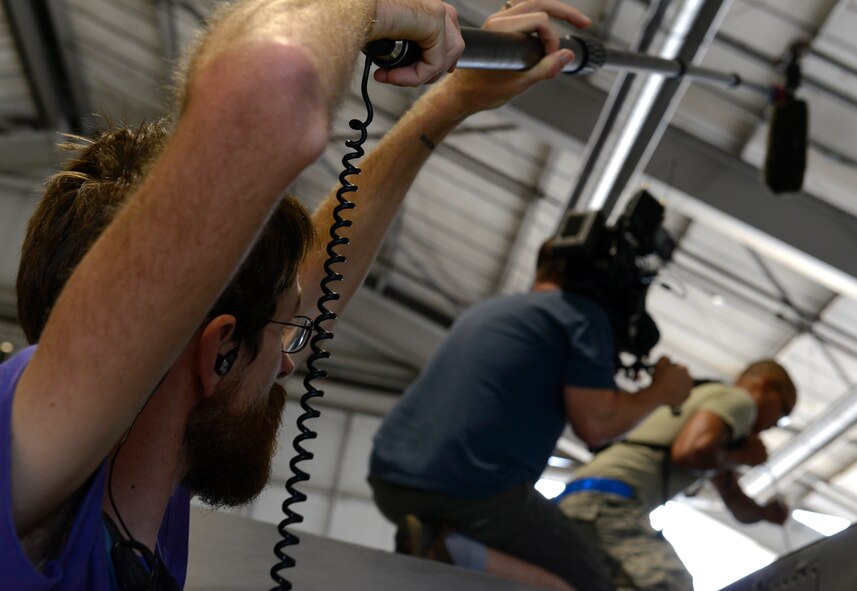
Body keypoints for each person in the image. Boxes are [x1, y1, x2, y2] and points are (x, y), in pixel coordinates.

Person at [0, 0, 589, 587]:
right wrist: (369, 10)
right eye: (284, 334)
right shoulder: (24, 469)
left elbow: (315, 277)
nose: (289, 361)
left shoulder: (134, 507)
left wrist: (452, 101)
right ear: (219, 350)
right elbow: (271, 82)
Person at [368, 234, 694, 590]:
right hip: (469, 490)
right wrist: (661, 392)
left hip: (390, 480)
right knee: (592, 582)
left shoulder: (493, 308)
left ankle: (449, 547)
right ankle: (445, 547)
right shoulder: (581, 316)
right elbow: (597, 424)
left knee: (550, 579)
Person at [553, 359, 797, 591]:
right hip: (607, 502)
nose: (775, 424)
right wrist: (742, 455)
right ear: (764, 386)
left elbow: (734, 500)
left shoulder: (718, 433)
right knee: (669, 582)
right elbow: (690, 451)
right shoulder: (740, 401)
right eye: (783, 411)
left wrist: (764, 512)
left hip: (585, 499)